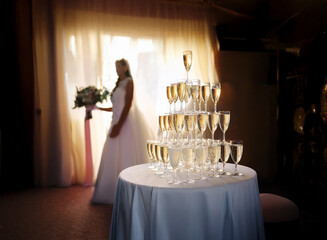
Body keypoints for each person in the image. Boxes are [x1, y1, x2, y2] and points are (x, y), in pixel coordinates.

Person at [91, 58, 154, 204]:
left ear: (126, 68)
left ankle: (130, 191)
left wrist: (119, 125)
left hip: (125, 123)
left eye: (119, 66)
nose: (117, 69)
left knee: (127, 152)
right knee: (112, 155)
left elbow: (127, 106)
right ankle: (110, 190)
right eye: (116, 66)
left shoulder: (129, 82)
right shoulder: (118, 83)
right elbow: (115, 107)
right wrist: (98, 108)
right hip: (115, 121)